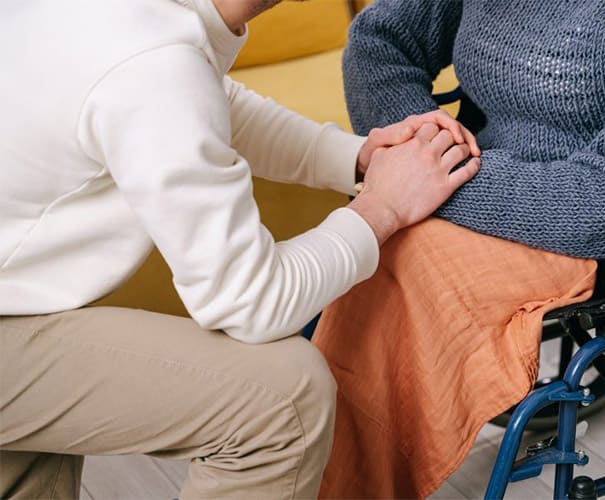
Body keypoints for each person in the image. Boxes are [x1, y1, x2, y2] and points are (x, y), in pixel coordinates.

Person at [0, 0, 480, 498]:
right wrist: (383, 209)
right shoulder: (155, 66)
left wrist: (355, 158)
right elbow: (251, 303)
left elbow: (203, 99)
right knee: (284, 401)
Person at [310, 0, 605, 497]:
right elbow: (377, 42)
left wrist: (439, 179)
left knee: (401, 264)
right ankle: (316, 465)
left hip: (573, 229)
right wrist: (424, 145)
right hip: (477, 188)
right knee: (365, 253)